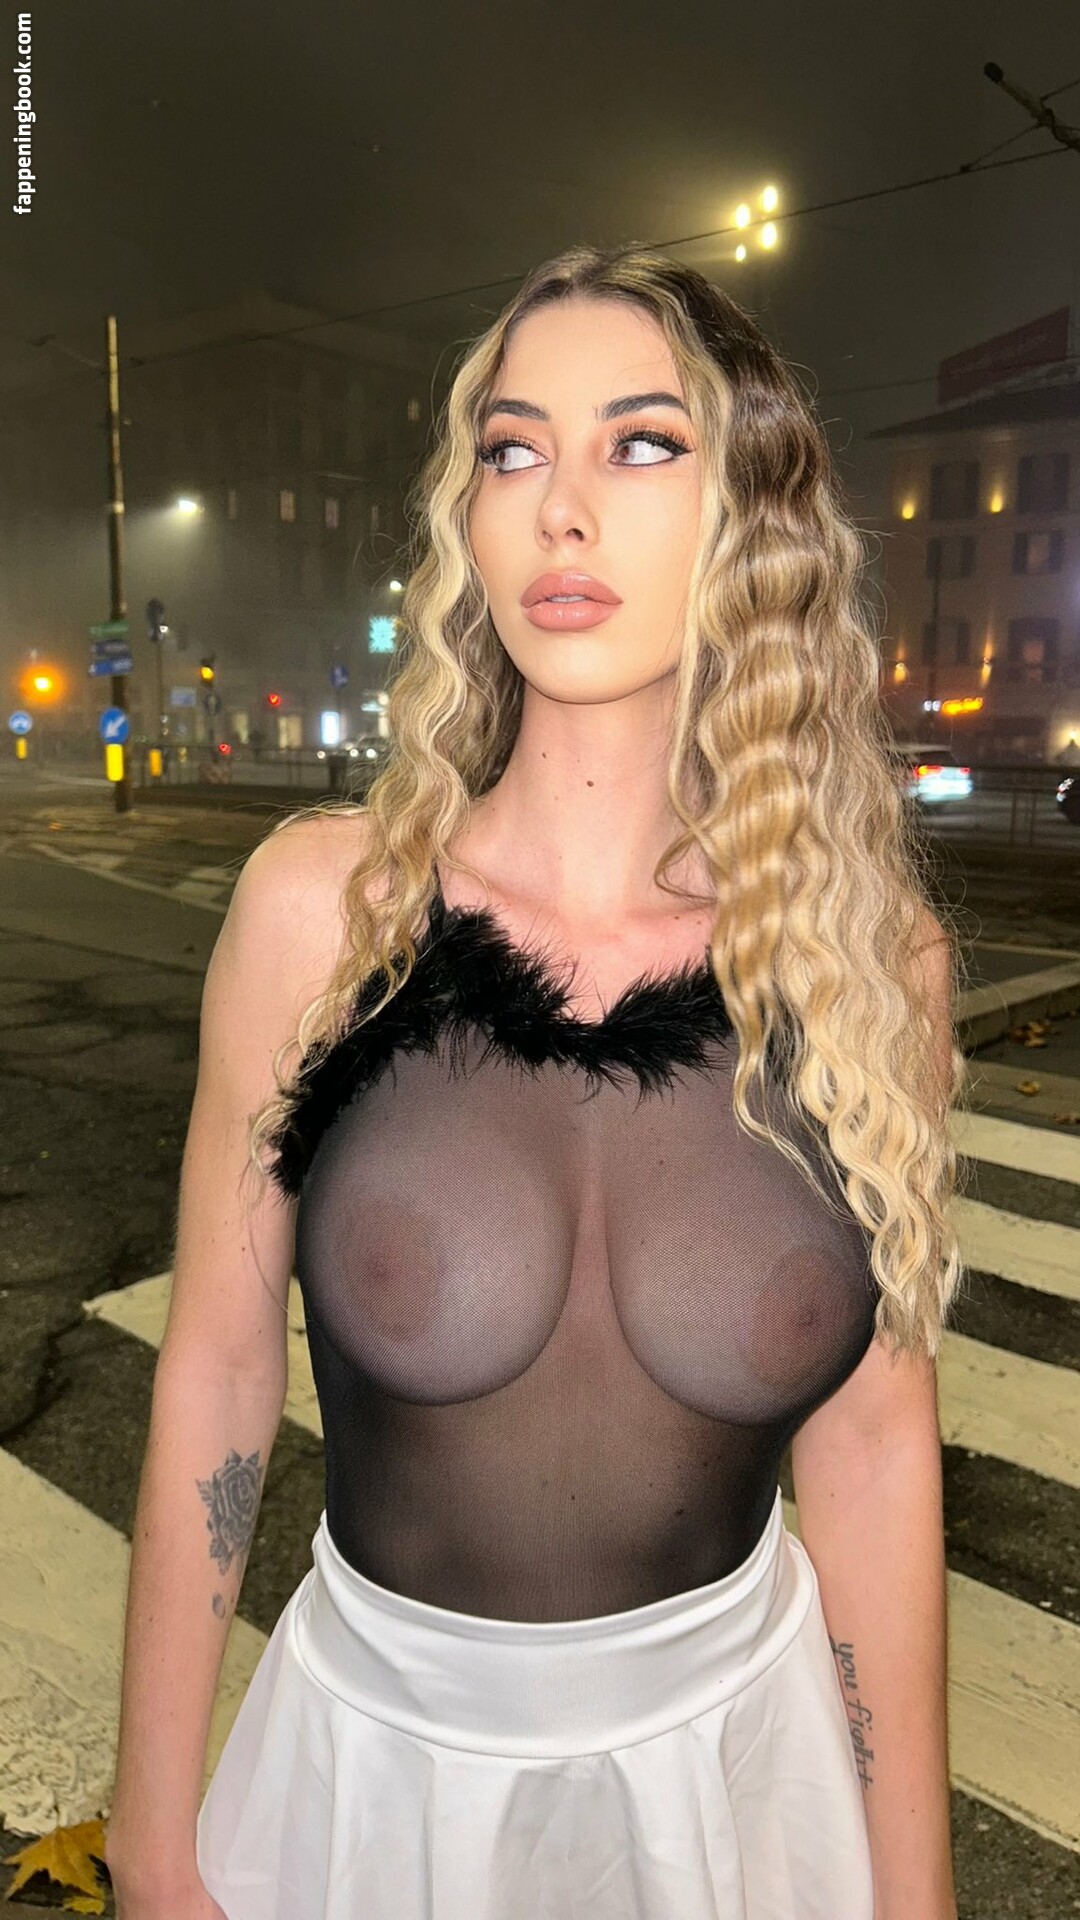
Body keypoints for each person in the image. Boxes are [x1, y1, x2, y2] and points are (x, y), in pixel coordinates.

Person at [106, 245, 964, 1920]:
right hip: (375, 1792)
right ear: (471, 515)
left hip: (743, 1794)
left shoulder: (869, 962)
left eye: (642, 443)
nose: (562, 509)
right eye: (513, 450)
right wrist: (151, 1844)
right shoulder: (325, 915)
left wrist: (916, 1891)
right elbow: (215, 1365)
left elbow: (873, 1447)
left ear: (753, 513)